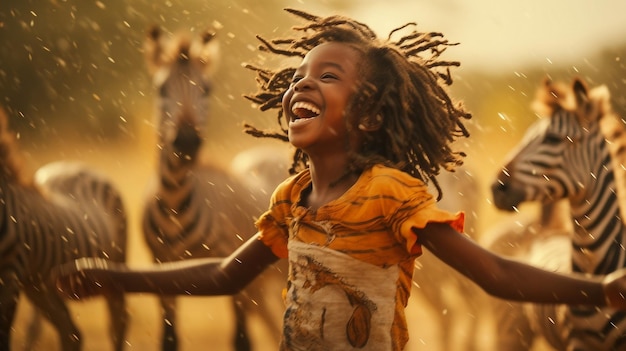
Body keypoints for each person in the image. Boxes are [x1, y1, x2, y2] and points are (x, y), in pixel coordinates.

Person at [54, 8, 626, 351]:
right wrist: (115, 276)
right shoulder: (293, 199)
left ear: (370, 114)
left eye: (326, 76)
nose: (301, 84)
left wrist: (598, 290)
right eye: (298, 76)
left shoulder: (393, 195)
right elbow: (224, 275)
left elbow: (496, 273)